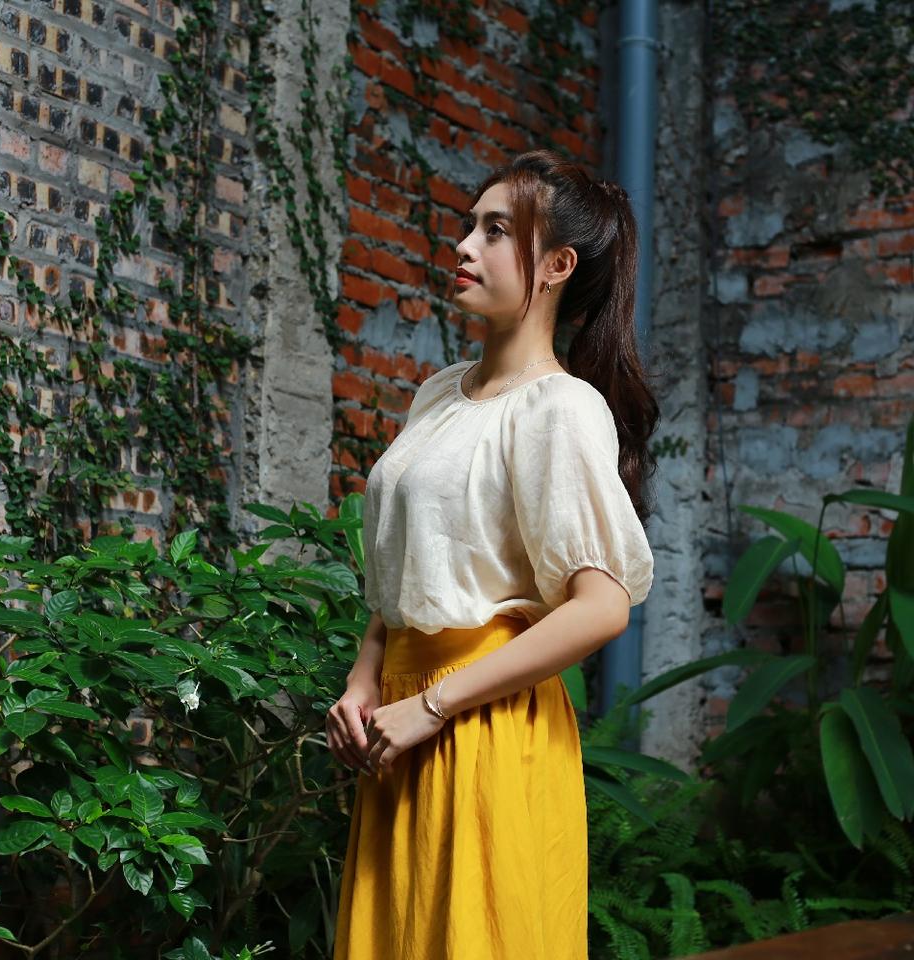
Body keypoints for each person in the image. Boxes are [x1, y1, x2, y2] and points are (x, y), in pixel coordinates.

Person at [327, 148, 659, 959]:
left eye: (496, 231)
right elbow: (407, 567)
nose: (464, 245)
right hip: (398, 722)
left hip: (486, 725)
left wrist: (435, 706)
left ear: (556, 266)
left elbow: (601, 607)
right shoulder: (439, 393)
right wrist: (365, 678)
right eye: (470, 225)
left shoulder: (560, 409)